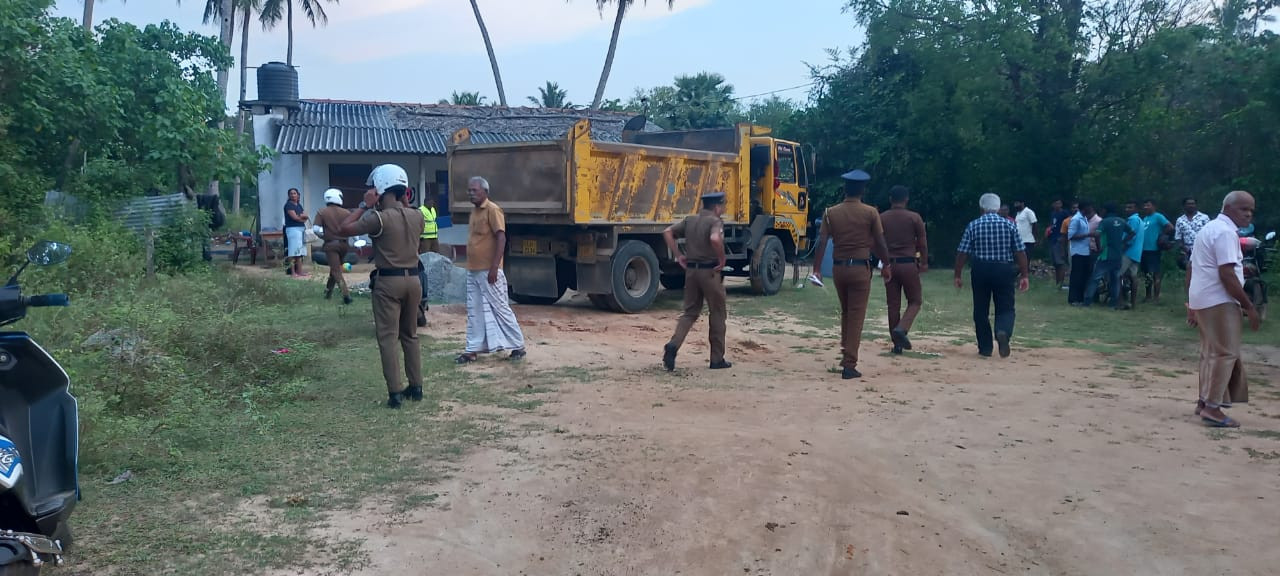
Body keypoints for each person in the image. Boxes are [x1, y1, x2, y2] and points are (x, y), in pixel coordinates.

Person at [336, 165, 425, 408]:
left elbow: (343, 228)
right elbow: (405, 212)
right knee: (410, 335)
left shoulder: (378, 219)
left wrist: (364, 205)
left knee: (388, 338)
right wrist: (401, 198)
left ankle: (395, 393)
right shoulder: (417, 215)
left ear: (380, 189)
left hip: (388, 282)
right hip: (414, 280)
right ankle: (416, 387)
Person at [1187, 191, 1261, 428]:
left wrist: (1191, 302)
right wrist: (1249, 306)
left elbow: (1192, 267)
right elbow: (1227, 274)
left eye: (1251, 210)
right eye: (1243, 209)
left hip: (1204, 298)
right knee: (1225, 353)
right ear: (1228, 208)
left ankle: (1203, 401)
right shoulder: (1226, 233)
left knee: (1210, 352)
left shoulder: (1208, 228)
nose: (1248, 214)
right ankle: (1212, 408)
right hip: (1219, 300)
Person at [812, 170, 893, 379]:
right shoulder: (871, 213)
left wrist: (817, 269)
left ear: (844, 189)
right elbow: (880, 242)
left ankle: (846, 350)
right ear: (863, 190)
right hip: (859, 268)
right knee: (856, 314)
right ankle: (849, 364)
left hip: (838, 269)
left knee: (847, 312)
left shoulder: (830, 212)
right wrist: (886, 264)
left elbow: (822, 242)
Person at [456, 176, 527, 364]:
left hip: (489, 271)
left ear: (485, 192)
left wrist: (494, 267)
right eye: (469, 190)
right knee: (474, 310)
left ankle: (518, 345)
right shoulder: (474, 212)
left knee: (500, 308)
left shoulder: (493, 210)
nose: (471, 193)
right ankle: (472, 350)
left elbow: (501, 238)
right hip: (473, 269)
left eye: (474, 190)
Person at [661, 192, 731, 371]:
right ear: (717, 207)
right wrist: (722, 258)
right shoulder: (715, 221)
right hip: (710, 272)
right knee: (717, 313)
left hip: (691, 272)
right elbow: (715, 239)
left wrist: (679, 255)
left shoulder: (690, 220)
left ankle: (673, 345)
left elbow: (667, 232)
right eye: (722, 206)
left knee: (690, 313)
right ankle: (717, 359)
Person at [955, 193, 1029, 358]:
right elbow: (1020, 251)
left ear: (981, 208)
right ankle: (1003, 331)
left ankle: (985, 347)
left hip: (980, 269)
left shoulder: (973, 225)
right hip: (1004, 269)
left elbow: (962, 252)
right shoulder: (1009, 225)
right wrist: (1024, 275)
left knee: (980, 309)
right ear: (998, 208)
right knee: (1006, 306)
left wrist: (957, 274)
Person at [879, 185, 928, 355]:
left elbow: (876, 242)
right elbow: (922, 243)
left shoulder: (882, 218)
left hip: (890, 264)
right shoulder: (914, 218)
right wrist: (924, 262)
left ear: (890, 199)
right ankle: (902, 328)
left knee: (893, 305)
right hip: (908, 264)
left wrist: (883, 262)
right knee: (915, 301)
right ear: (906, 199)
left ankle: (897, 344)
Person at [1083, 204, 1133, 309]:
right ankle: (1113, 303)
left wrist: (1099, 248)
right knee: (1115, 279)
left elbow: (1097, 234)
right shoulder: (1122, 221)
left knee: (1095, 278)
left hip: (1106, 254)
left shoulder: (1105, 222)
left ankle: (1087, 301)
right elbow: (1132, 233)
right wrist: (1123, 242)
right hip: (1118, 255)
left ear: (1105, 210)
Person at [314, 188, 353, 305]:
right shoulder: (347, 213)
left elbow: (316, 229)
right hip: (344, 245)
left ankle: (346, 295)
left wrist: (324, 236)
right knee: (334, 269)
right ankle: (328, 293)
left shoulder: (322, 212)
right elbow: (353, 228)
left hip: (331, 245)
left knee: (336, 270)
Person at [1140, 198, 1174, 303]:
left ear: (1154, 206)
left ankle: (1156, 296)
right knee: (1147, 273)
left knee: (1155, 273)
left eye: (1148, 205)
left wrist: (1161, 235)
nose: (1146, 207)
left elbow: (1170, 227)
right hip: (1144, 249)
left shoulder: (1158, 216)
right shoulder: (1145, 218)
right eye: (1144, 205)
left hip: (1153, 249)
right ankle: (1148, 295)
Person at [1066, 201, 1095, 305]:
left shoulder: (1085, 218)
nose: (1091, 209)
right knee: (1076, 276)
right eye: (1089, 207)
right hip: (1078, 251)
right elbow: (1071, 236)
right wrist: (1088, 235)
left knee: (1084, 276)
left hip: (1085, 251)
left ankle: (1081, 298)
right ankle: (1073, 299)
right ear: (1085, 208)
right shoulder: (1076, 219)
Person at [1121, 200, 1147, 305]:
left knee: (1118, 275)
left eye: (1130, 207)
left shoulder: (1133, 220)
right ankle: (1133, 302)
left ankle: (1120, 301)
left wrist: (1122, 248)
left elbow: (1131, 236)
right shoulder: (1140, 220)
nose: (1127, 209)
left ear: (1136, 209)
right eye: (1126, 207)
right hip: (1136, 253)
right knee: (1133, 276)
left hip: (1128, 252)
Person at [1174, 197, 1210, 270]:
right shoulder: (1180, 220)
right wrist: (1183, 248)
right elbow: (1178, 237)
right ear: (1184, 206)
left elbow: (1209, 234)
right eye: (1188, 204)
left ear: (1196, 205)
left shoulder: (1204, 218)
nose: (1191, 206)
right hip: (1187, 251)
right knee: (1190, 270)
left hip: (1203, 249)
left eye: (1193, 204)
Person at [283, 188, 309, 277]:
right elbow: (295, 217)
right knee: (293, 251)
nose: (293, 195)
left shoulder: (299, 205)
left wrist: (301, 217)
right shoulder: (288, 205)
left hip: (301, 228)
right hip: (293, 229)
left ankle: (300, 271)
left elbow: (305, 217)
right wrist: (301, 217)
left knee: (300, 251)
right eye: (291, 193)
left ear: (298, 195)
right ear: (289, 195)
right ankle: (293, 272)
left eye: (295, 193)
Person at [1047, 200, 1071, 288]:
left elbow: (1069, 225)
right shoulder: (1053, 214)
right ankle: (1057, 283)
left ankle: (1060, 284)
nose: (1057, 205)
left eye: (1059, 203)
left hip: (1060, 240)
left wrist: (1064, 237)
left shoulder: (1065, 213)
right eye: (1055, 203)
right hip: (1052, 239)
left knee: (1060, 263)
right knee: (1055, 264)